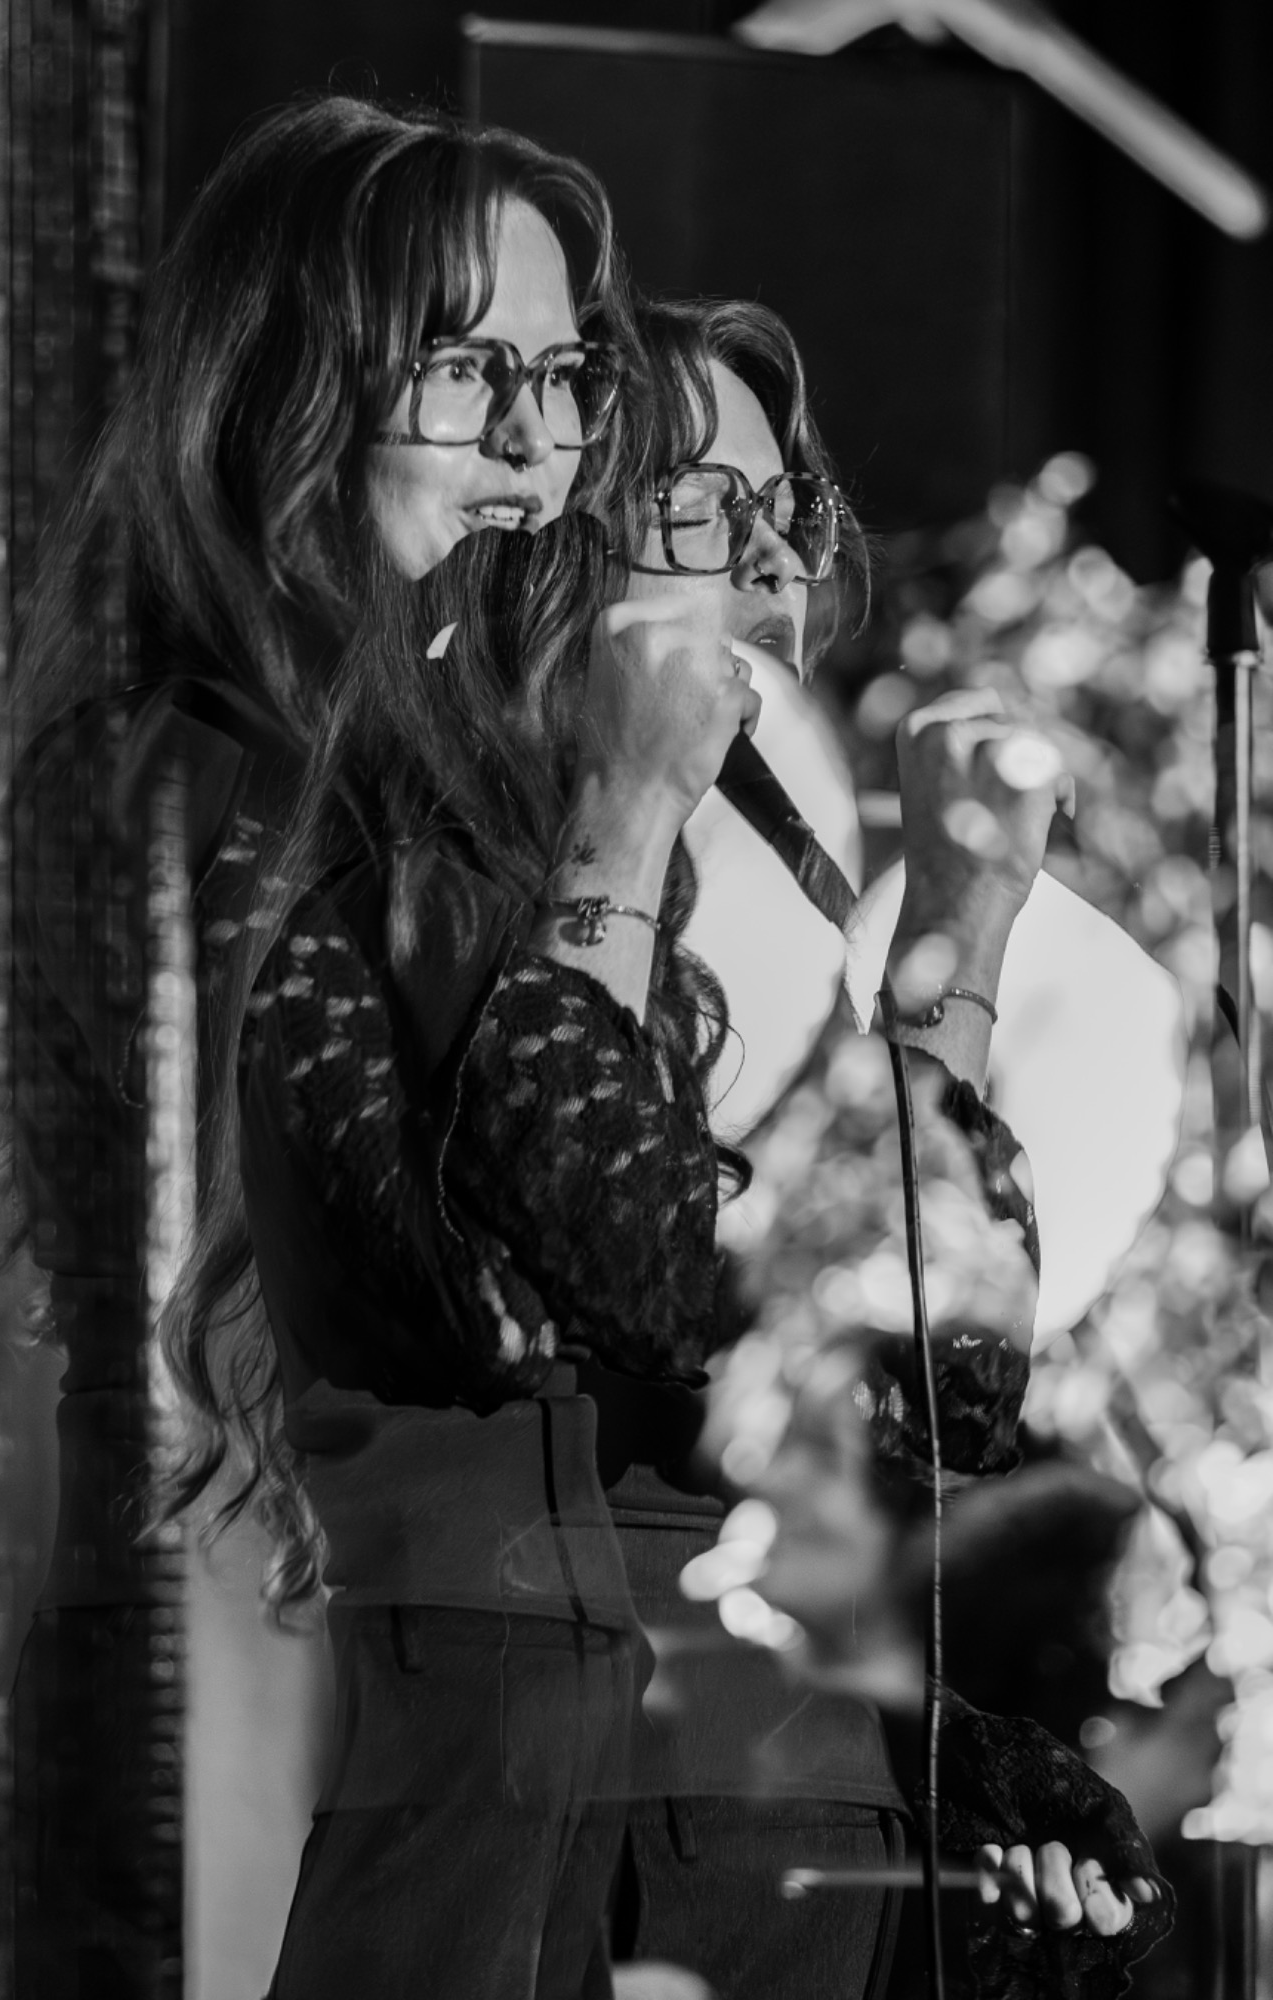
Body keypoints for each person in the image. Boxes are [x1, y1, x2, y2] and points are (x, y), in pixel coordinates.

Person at [3, 93, 634, 1997]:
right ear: (291, 380)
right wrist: (626, 845)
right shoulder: (184, 770)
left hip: (465, 1667)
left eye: (563, 375)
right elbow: (452, 1262)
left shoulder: (443, 769)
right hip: (267, 1631)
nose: (535, 443)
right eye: (465, 369)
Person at [598, 296, 1168, 2000]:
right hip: (625, 1777)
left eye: (786, 506)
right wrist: (957, 944)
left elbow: (937, 1388)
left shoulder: (778, 842)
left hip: (788, 1765)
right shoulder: (572, 875)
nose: (774, 562)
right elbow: (884, 1367)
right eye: (703, 505)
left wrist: (976, 1772)